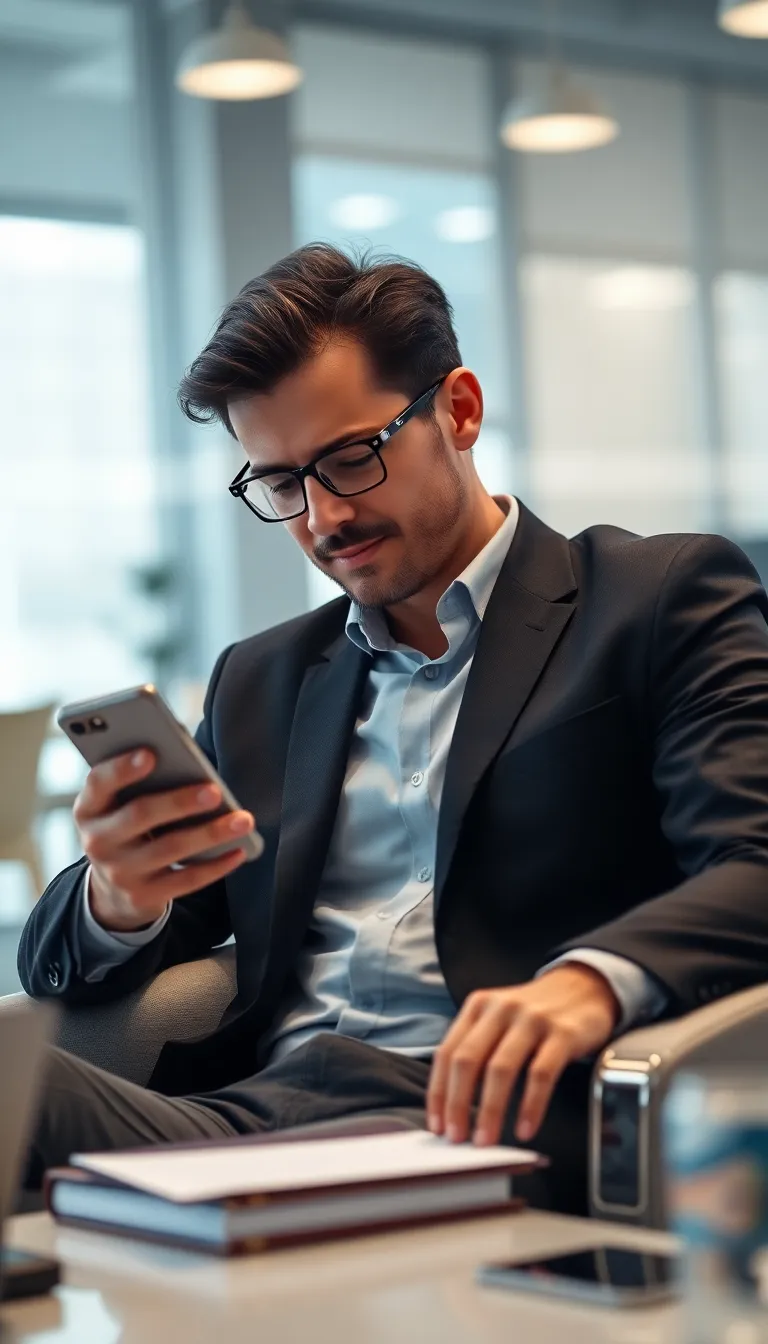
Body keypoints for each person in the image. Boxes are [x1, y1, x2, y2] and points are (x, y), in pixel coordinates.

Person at [19, 243, 768, 1215]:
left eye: (351, 458)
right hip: (250, 1119)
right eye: (281, 483)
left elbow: (753, 859)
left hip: (488, 1116)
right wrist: (119, 896)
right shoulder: (262, 681)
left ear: (460, 409)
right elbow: (59, 966)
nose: (324, 516)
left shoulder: (655, 599)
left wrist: (591, 981)